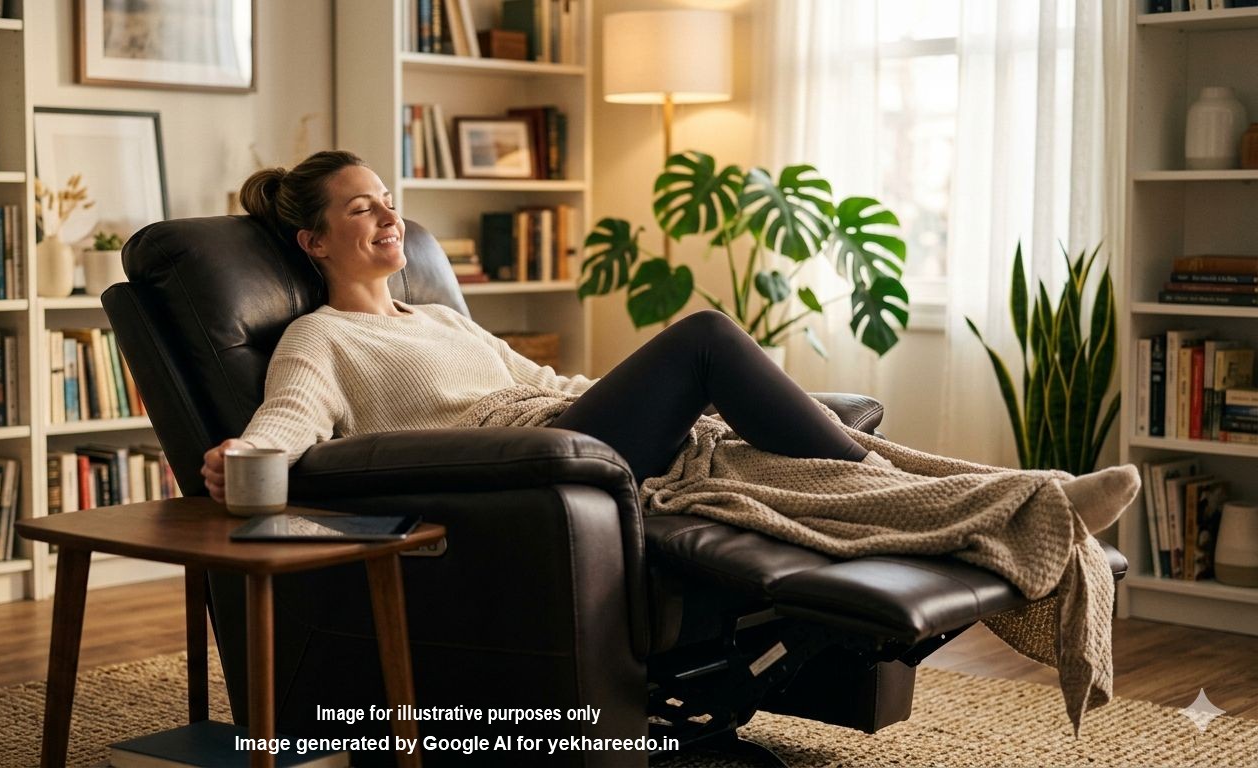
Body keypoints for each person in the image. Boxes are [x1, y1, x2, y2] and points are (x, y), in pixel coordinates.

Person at [201, 150, 1137, 532]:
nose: (387, 217)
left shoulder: (439, 315)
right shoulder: (320, 339)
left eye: (389, 202)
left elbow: (550, 375)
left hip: (565, 422)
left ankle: (1026, 495)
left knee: (810, 427)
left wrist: (644, 397)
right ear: (313, 241)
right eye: (361, 209)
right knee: (704, 340)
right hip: (525, 459)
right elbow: (287, 420)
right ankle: (1021, 501)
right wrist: (246, 455)